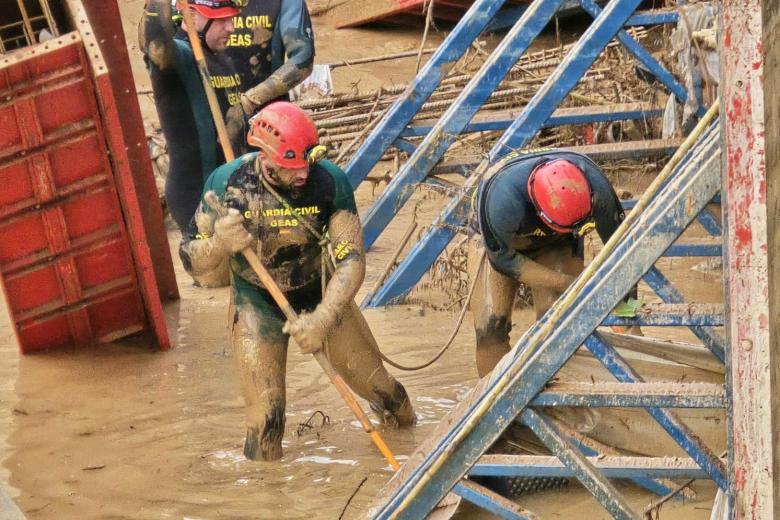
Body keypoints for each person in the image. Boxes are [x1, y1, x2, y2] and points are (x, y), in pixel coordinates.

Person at [179, 102, 416, 461]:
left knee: (390, 397)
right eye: (292, 168)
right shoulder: (227, 183)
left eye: (307, 164)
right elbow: (190, 262)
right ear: (266, 158)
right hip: (257, 303)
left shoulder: (329, 181)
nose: (303, 174)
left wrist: (322, 318)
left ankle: (415, 452)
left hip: (321, 294)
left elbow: (351, 262)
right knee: (266, 428)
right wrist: (218, 245)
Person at [468, 149, 633, 377]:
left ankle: (561, 402)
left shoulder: (596, 188)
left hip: (557, 241)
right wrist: (568, 283)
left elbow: (626, 254)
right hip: (500, 247)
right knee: (490, 334)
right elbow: (504, 261)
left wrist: (627, 313)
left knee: (558, 327)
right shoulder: (502, 201)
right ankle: (504, 408)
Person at [140, 0, 244, 233]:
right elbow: (158, 46)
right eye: (221, 20)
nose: (231, 28)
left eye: (231, 19)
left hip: (229, 189)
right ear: (193, 17)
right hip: (196, 195)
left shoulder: (223, 60)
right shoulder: (181, 57)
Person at [225, 0, 315, 112]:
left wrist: (250, 101)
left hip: (266, 114)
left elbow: (303, 59)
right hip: (210, 109)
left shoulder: (286, 2)